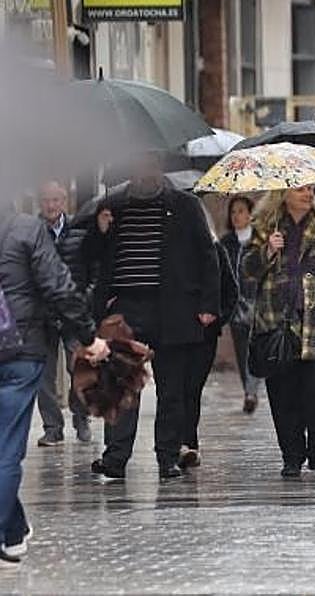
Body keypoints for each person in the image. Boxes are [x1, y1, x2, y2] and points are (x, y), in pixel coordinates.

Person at [83, 152, 220, 482]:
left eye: (153, 165)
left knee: (172, 388)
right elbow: (89, 256)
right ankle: (115, 458)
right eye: (141, 166)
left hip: (173, 307)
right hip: (126, 308)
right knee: (121, 385)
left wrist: (208, 305)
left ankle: (168, 456)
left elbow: (207, 255)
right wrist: (99, 230)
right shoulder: (112, 206)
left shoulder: (184, 205)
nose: (148, 172)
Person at [1, 202, 109, 567]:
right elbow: (57, 285)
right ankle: (8, 532)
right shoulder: (25, 229)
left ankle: (12, 533)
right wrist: (88, 335)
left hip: (22, 348)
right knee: (6, 449)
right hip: (19, 348)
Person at [243, 186, 315, 478]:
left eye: (310, 188)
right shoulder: (264, 227)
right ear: (283, 193)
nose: (308, 193)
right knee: (283, 395)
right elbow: (246, 272)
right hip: (277, 324)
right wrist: (268, 250)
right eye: (300, 189)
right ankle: (292, 457)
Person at [33, 180, 93, 446]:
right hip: (41, 314)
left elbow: (93, 271)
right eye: (46, 200)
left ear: (64, 202)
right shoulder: (31, 234)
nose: (50, 205)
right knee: (43, 375)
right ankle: (52, 427)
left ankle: (81, 417)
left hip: (73, 313)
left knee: (79, 369)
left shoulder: (80, 233)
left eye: (55, 200)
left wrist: (84, 299)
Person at [178, 218, 240, 468]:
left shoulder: (215, 250)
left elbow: (231, 291)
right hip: (172, 331)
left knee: (191, 389)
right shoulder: (168, 250)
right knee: (173, 390)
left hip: (204, 334)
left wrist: (216, 318)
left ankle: (188, 443)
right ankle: (174, 444)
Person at [220, 196, 262, 414]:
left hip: (259, 304)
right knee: (242, 350)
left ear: (250, 214)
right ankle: (249, 391)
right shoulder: (226, 243)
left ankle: (252, 390)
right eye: (233, 211)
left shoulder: (260, 240)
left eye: (241, 211)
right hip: (236, 306)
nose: (236, 216)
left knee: (256, 349)